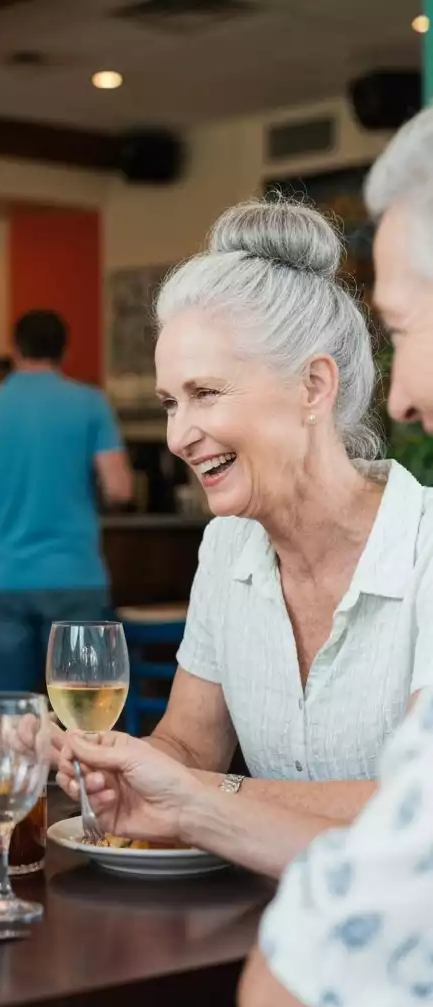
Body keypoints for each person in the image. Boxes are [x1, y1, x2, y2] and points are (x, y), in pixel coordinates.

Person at [142, 197, 433, 823]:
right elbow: (190, 745)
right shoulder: (227, 548)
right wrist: (119, 769)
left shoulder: (425, 549)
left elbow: (416, 810)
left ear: (314, 387)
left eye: (205, 393)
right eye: (171, 403)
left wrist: (200, 795)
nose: (177, 436)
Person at [238, 104, 433, 1007]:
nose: (400, 396)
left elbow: (297, 988)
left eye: (408, 329)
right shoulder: (226, 546)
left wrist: (203, 800)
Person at [0, 310, 133, 691]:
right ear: (65, 349)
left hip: (4, 579)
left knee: (14, 713)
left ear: (14, 348)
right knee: (84, 712)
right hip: (75, 576)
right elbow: (120, 489)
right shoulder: (89, 404)